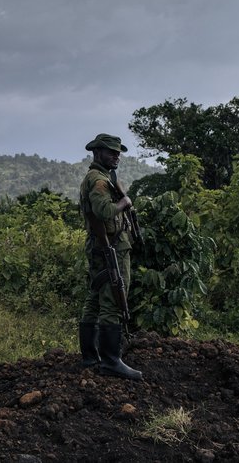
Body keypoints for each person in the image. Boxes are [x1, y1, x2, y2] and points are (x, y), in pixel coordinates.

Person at [77, 133, 142, 380]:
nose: (116, 156)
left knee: (95, 299)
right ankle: (111, 361)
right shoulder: (99, 180)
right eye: (111, 152)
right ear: (97, 153)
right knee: (113, 300)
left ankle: (90, 357)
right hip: (109, 248)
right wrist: (124, 202)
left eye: (118, 152)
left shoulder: (101, 177)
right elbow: (103, 211)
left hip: (101, 247)